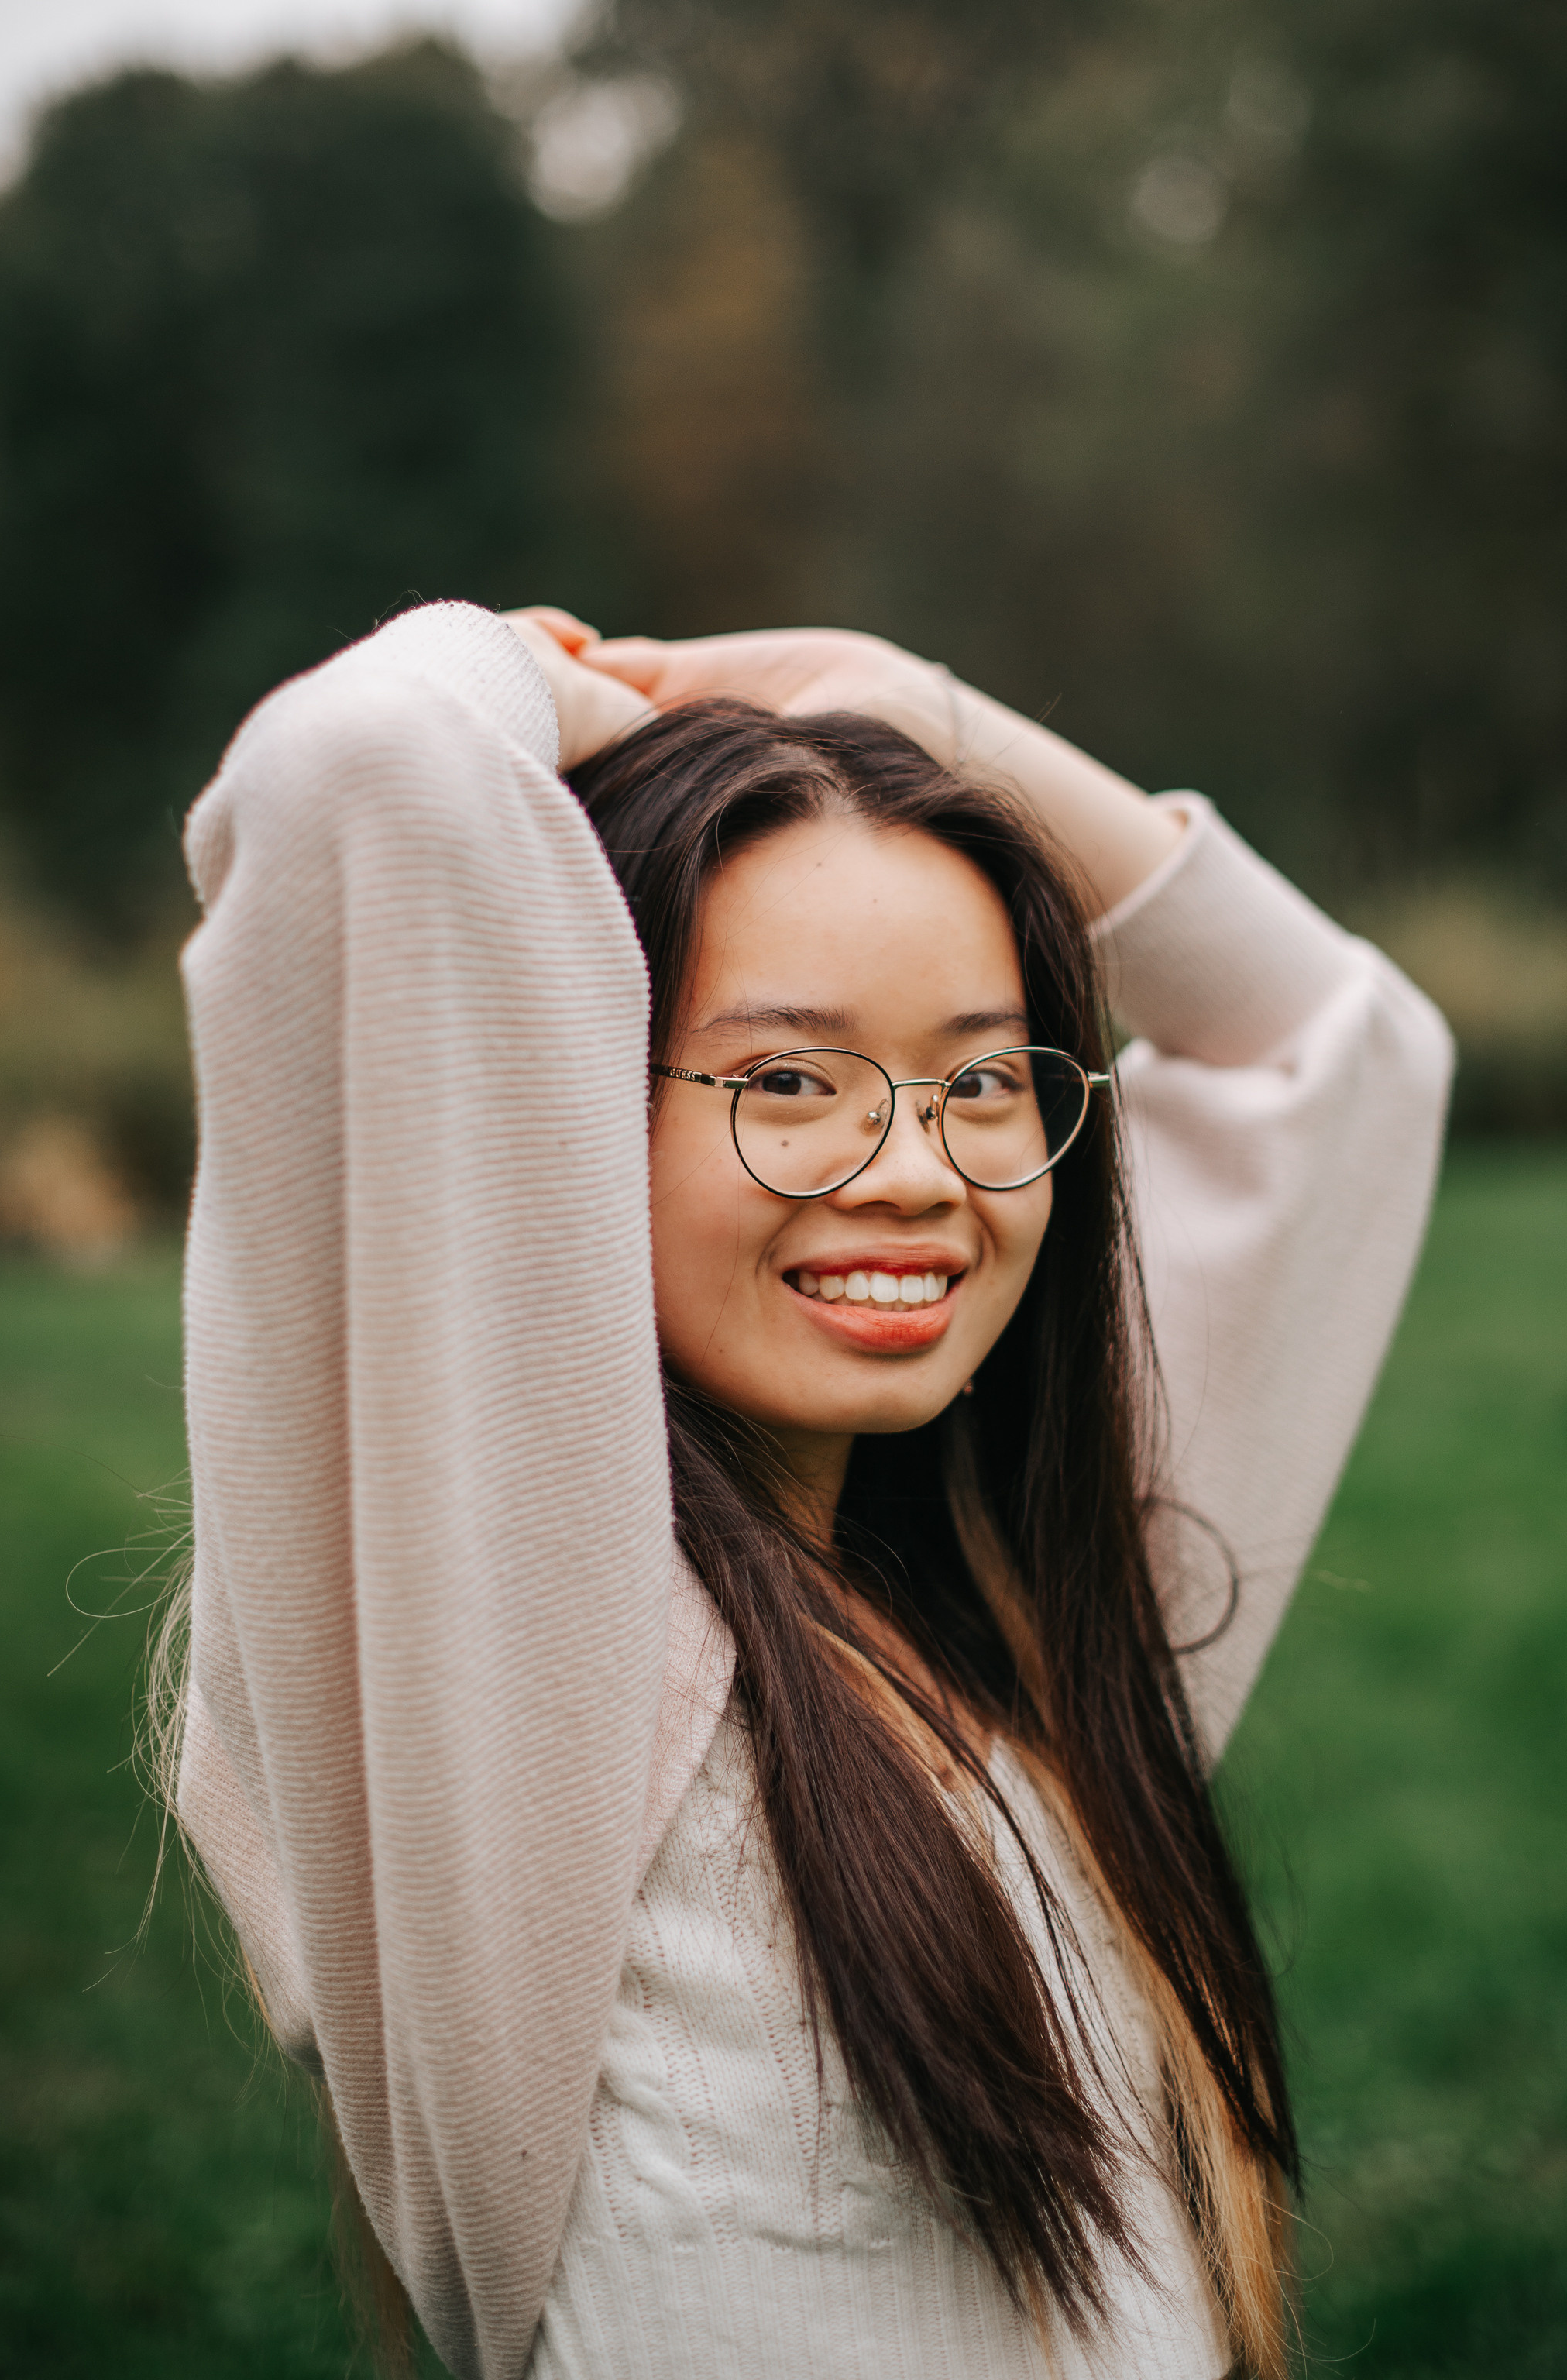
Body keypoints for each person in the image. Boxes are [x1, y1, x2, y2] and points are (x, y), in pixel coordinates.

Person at [163, 599, 1452, 2380]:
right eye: (787, 1079)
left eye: (982, 1080)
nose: (915, 1171)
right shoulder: (535, 1677)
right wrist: (547, 681)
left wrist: (902, 704)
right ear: (559, 1115)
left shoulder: (1022, 1623)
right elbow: (357, 776)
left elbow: (1344, 1056)